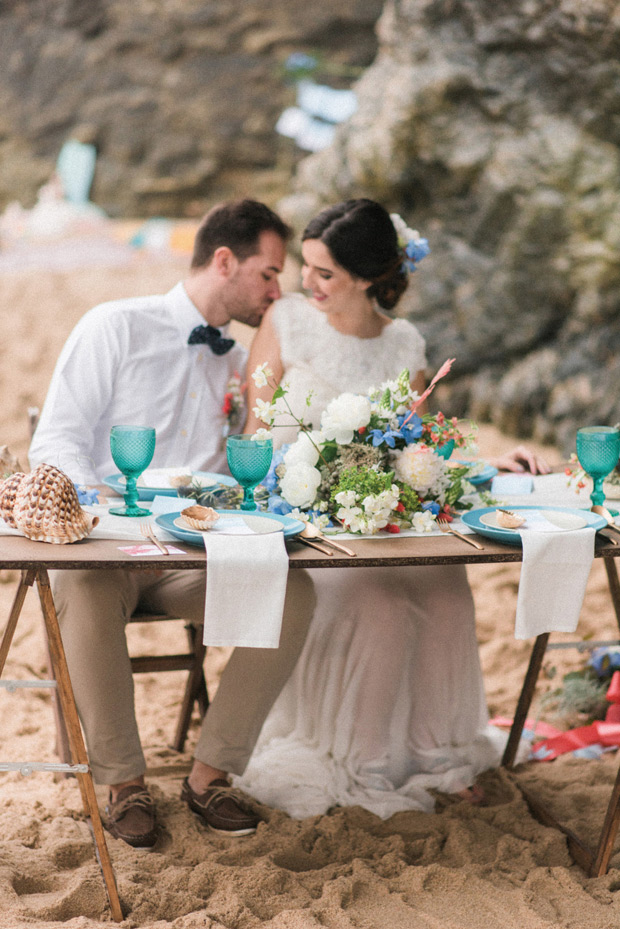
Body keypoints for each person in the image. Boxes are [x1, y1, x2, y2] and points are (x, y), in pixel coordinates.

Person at [240, 198, 548, 818]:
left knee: (443, 592)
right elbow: (253, 431)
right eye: (307, 267)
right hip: (305, 520)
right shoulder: (288, 322)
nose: (308, 283)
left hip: (384, 519)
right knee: (376, 605)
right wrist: (305, 478)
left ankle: (440, 755)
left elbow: (420, 443)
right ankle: (365, 762)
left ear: (366, 278)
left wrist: (489, 464)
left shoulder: (404, 341)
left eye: (324, 273)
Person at [29, 199, 316, 848]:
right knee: (77, 588)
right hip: (107, 551)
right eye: (269, 274)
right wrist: (93, 510)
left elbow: (264, 450)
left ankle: (209, 774)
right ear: (224, 261)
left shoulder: (242, 363)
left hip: (199, 556)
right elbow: (57, 441)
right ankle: (124, 784)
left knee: (295, 591)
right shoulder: (115, 327)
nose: (277, 292)